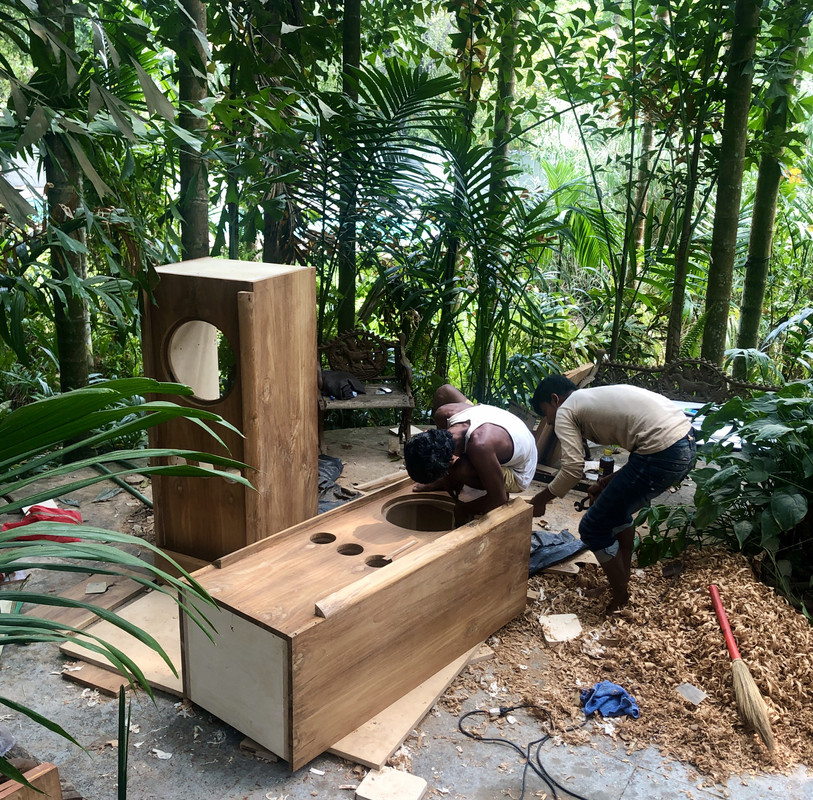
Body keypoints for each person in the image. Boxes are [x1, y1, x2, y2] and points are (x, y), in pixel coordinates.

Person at [528, 375, 696, 612]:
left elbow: (573, 469)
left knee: (592, 527)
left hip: (663, 450)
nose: (548, 421)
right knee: (617, 513)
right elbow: (642, 452)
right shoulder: (591, 398)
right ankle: (621, 581)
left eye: (545, 412)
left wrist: (540, 499)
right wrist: (607, 482)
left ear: (555, 400)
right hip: (685, 441)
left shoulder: (566, 409)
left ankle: (620, 596)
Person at [404, 384, 537, 522]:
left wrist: (464, 508)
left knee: (461, 470)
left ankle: (490, 481)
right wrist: (446, 478)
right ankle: (446, 481)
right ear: (427, 432)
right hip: (502, 424)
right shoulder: (444, 414)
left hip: (522, 468)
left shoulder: (480, 447)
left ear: (450, 462)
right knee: (444, 392)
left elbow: (499, 500)